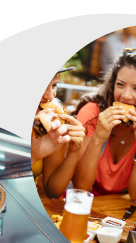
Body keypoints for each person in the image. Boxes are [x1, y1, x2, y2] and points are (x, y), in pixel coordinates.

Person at [70, 48, 136, 201]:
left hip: (116, 210)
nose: (125, 96)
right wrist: (98, 138)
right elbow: (80, 187)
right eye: (120, 85)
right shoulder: (92, 115)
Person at [34, 69, 87, 201]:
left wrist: (73, 151)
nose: (50, 96)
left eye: (54, 86)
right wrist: (34, 155)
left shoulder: (50, 122)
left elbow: (53, 191)